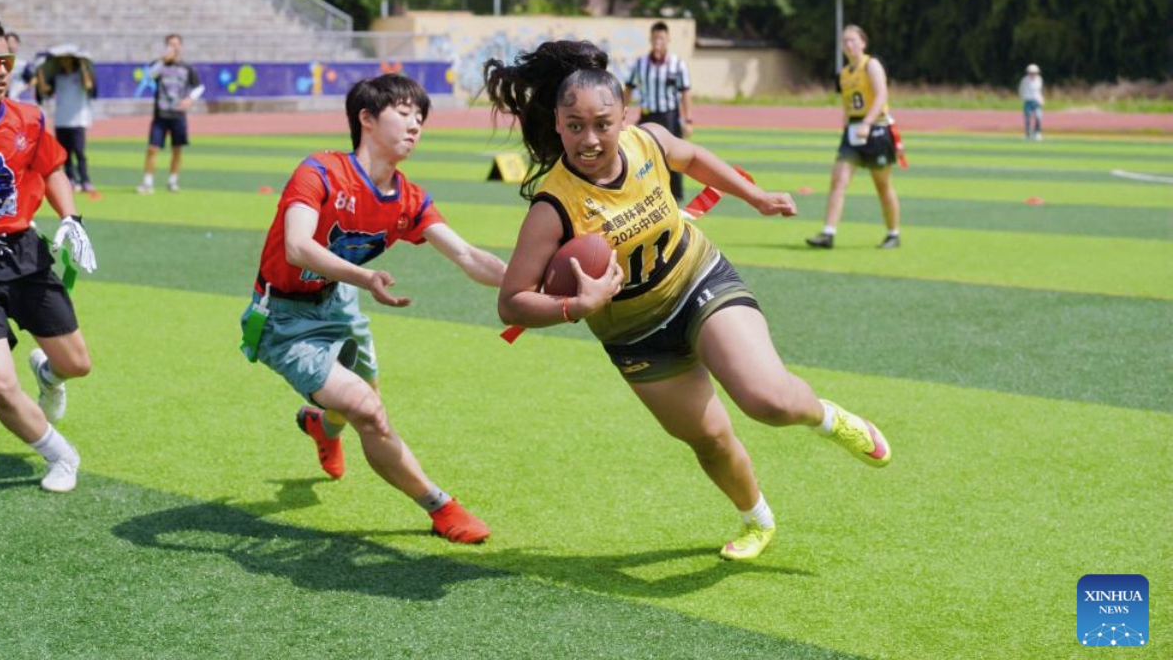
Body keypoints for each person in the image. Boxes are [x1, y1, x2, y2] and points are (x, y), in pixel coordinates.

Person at [483, 40, 892, 562]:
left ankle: (826, 417)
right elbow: (511, 302)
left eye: (603, 123)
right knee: (711, 440)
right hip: (634, 335)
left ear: (624, 116)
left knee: (767, 400)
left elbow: (693, 156)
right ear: (557, 124)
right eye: (576, 125)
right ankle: (756, 519)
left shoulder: (647, 141)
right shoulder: (552, 208)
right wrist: (575, 307)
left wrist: (756, 195)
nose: (590, 138)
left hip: (697, 279)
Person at [240, 74, 506, 543]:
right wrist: (365, 277)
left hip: (340, 302)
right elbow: (299, 247)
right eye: (403, 113)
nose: (415, 125)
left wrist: (536, 285)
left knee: (364, 402)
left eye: (420, 118)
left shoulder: (409, 198)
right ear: (366, 118)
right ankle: (441, 507)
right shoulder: (319, 172)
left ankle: (323, 428)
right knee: (370, 411)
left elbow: (468, 256)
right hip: (284, 317)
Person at [0, 16, 98, 493]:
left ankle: (49, 374)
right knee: (0, 386)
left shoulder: (28, 118)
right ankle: (61, 455)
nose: (3, 72)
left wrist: (70, 218)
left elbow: (51, 170)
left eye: (9, 61)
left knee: (76, 364)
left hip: (25, 254)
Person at [806, 24, 902, 250]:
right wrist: (848, 127)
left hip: (876, 128)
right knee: (838, 180)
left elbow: (881, 96)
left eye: (852, 40)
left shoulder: (872, 65)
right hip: (853, 131)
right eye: (845, 41)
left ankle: (893, 233)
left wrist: (867, 123)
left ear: (863, 43)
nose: (848, 45)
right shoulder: (844, 74)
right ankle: (828, 233)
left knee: (883, 185)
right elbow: (848, 106)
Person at [623, 21, 693, 203]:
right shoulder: (640, 64)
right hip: (648, 114)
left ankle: (676, 197)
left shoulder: (677, 64)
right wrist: (621, 112)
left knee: (675, 156)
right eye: (654, 38)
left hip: (669, 115)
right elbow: (629, 88)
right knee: (643, 155)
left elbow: (685, 91)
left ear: (668, 39)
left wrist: (688, 119)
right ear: (650, 39)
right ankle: (648, 194)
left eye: (661, 38)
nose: (657, 42)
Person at [137, 34, 203, 194]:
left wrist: (189, 100)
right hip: (161, 113)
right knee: (152, 148)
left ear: (181, 46)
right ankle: (148, 182)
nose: (173, 48)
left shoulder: (186, 67)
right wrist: (162, 61)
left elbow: (199, 87)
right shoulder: (159, 65)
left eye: (176, 45)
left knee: (177, 149)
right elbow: (150, 75)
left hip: (178, 114)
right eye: (170, 45)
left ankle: (173, 181)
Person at [36, 46, 97, 193]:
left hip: (78, 119)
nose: (64, 62)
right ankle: (71, 178)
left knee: (79, 151)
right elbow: (45, 90)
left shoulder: (80, 75)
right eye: (62, 59)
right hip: (61, 119)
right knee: (65, 153)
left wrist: (82, 64)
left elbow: (89, 85)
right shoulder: (58, 77)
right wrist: (39, 72)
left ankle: (85, 180)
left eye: (67, 59)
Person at [1019, 63, 1044, 141]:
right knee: (1027, 118)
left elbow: (1039, 91)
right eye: (1031, 72)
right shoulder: (1025, 80)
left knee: (1038, 117)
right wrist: (1023, 97)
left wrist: (1041, 99)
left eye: (1034, 73)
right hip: (1028, 101)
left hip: (1036, 101)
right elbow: (1021, 89)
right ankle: (1028, 134)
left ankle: (1037, 132)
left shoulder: (1039, 79)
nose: (1032, 74)